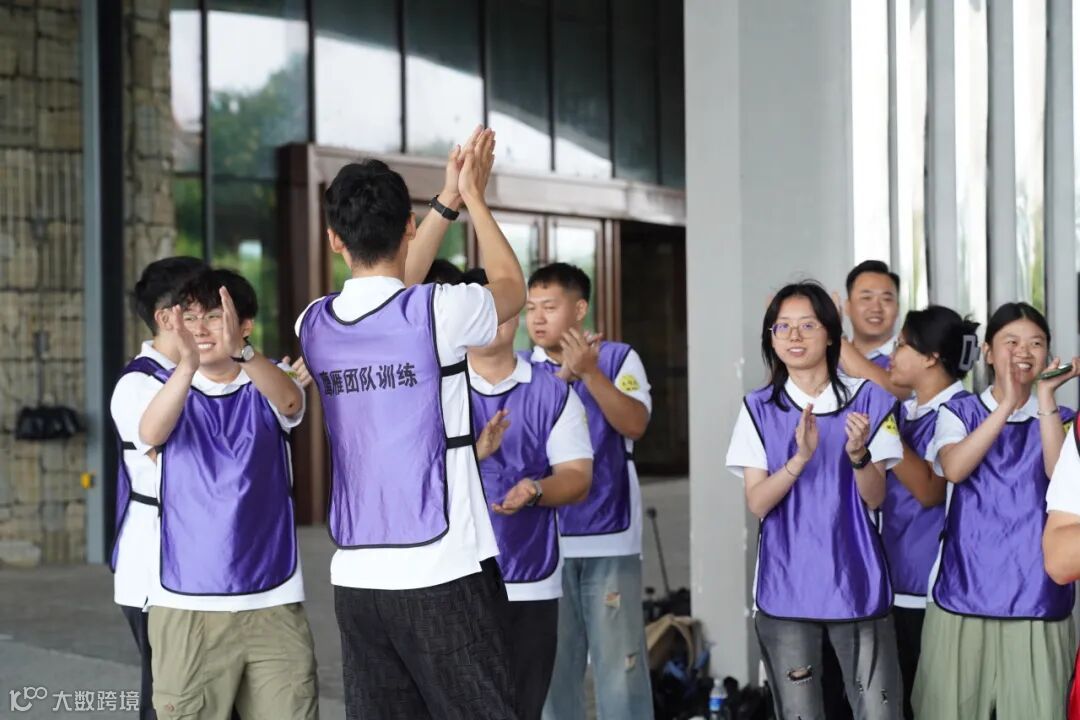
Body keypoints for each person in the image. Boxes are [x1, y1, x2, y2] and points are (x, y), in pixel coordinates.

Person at [296, 128, 527, 719]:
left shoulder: (313, 324)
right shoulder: (439, 309)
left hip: (357, 578)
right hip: (444, 568)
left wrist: (445, 202)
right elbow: (510, 289)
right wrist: (472, 198)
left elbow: (391, 288)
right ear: (406, 226)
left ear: (333, 238)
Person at [129, 267, 316, 719]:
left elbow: (291, 402)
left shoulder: (269, 381)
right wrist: (186, 367)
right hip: (186, 604)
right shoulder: (160, 387)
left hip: (271, 599)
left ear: (244, 324)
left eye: (214, 316)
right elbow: (150, 433)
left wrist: (244, 355)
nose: (201, 328)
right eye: (191, 317)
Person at [725, 280, 903, 720]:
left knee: (879, 712)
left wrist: (858, 455)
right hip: (787, 585)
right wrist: (800, 459)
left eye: (807, 325)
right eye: (782, 327)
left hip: (856, 582)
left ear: (830, 334)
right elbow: (758, 503)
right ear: (770, 338)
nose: (794, 336)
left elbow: (876, 497)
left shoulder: (870, 399)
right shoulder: (757, 408)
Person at [913, 302, 1079, 720]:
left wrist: (1043, 399)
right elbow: (954, 468)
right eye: (1011, 342)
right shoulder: (959, 412)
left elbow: (1061, 478)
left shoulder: (1064, 420)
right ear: (987, 352)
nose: (1024, 351)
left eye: (1036, 343)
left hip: (1038, 598)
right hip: (963, 592)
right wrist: (1007, 405)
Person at [523, 263, 654, 720]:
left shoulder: (617, 358)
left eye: (550, 306)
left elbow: (635, 424)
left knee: (621, 669)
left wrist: (590, 374)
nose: (537, 318)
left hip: (609, 536)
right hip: (543, 543)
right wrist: (561, 379)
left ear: (579, 310)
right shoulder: (521, 369)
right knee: (553, 674)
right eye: (531, 308)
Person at [466, 277, 594, 720]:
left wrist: (536, 490)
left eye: (500, 310)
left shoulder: (552, 393)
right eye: (479, 311)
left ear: (515, 317)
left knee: (522, 707)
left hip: (529, 577)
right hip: (452, 579)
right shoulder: (437, 391)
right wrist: (473, 455)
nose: (491, 321)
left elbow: (577, 478)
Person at [110, 256, 207, 720]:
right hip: (154, 570)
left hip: (198, 564)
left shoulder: (199, 372)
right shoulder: (137, 385)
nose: (211, 320)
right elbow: (188, 467)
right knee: (168, 698)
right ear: (168, 318)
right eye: (201, 309)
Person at [882, 306, 979, 720]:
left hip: (933, 591)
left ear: (930, 358)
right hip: (893, 584)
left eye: (901, 345)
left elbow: (929, 491)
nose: (892, 356)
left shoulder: (962, 411)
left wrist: (882, 424)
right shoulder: (906, 412)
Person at [835, 260, 908, 400]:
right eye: (866, 298)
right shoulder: (829, 357)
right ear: (847, 307)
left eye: (886, 299)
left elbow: (891, 394)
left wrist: (834, 335)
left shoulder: (912, 355)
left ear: (898, 308)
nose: (876, 308)